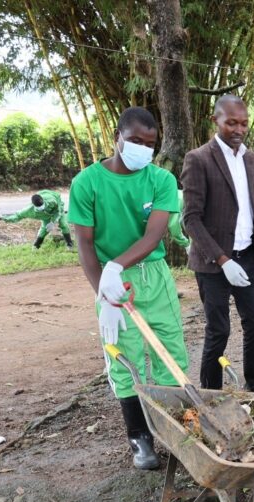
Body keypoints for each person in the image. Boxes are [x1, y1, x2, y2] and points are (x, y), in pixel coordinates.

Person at [68, 106, 185, 471]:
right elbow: (85, 244)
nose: (142, 149)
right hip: (111, 281)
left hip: (152, 275)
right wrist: (103, 295)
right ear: (117, 137)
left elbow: (153, 237)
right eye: (135, 140)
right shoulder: (86, 183)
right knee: (124, 357)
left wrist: (119, 264)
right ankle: (140, 438)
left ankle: (177, 431)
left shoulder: (161, 180)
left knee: (170, 353)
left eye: (150, 144)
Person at [181, 95, 254, 394]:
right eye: (231, 123)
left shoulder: (253, 161)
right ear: (215, 121)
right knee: (218, 331)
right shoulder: (199, 159)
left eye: (243, 123)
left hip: (247, 259)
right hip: (213, 263)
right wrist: (222, 260)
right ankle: (210, 396)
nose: (238, 129)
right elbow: (191, 219)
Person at [2, 190, 73, 249]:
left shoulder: (51, 200)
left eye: (42, 205)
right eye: (39, 207)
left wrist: (53, 222)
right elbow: (18, 215)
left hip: (56, 210)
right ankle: (36, 246)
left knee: (63, 224)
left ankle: (69, 244)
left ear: (43, 200)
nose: (42, 208)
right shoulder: (29, 210)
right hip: (45, 216)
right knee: (44, 229)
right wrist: (6, 218)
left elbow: (58, 210)